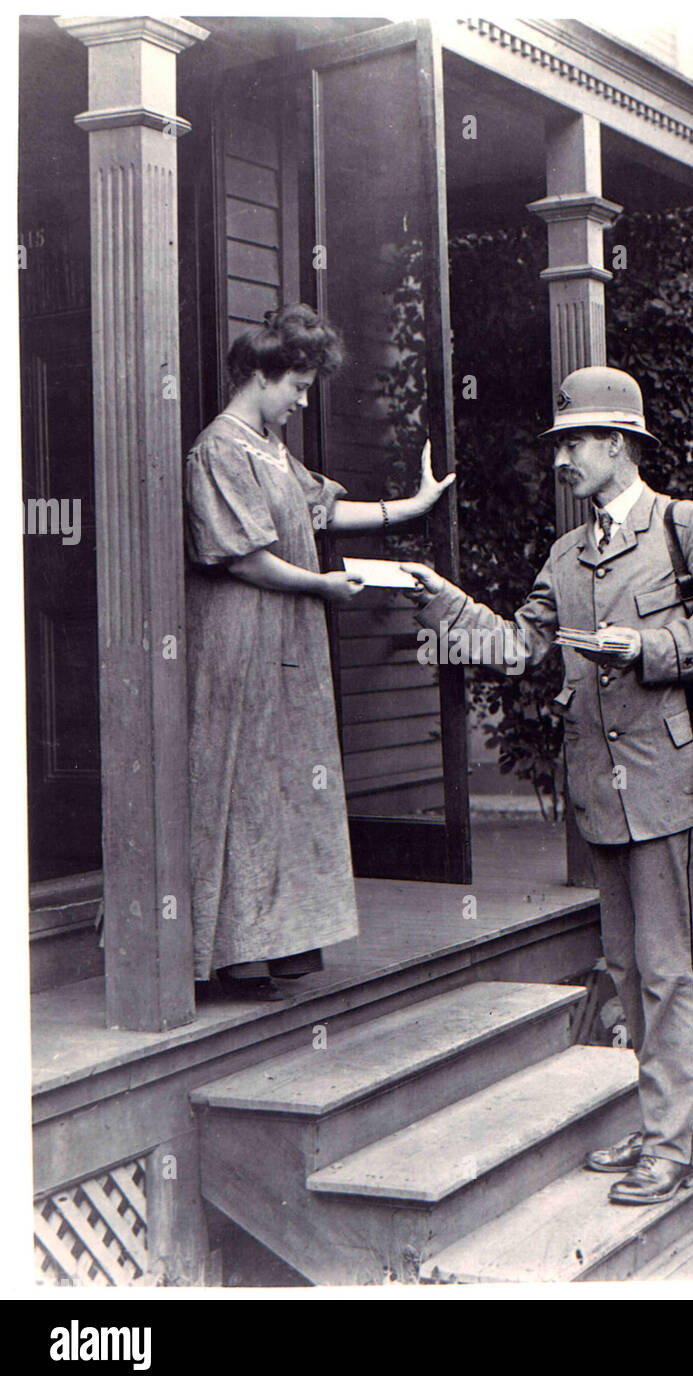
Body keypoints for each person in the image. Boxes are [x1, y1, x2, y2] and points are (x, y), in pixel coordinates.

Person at [402, 365, 693, 1205]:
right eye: (559, 442)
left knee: (667, 967)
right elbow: (522, 647)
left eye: (575, 441)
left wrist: (647, 648)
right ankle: (675, 1125)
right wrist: (445, 607)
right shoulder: (566, 554)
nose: (561, 457)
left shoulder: (684, 525)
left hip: (667, 782)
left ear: (617, 444)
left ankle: (671, 1144)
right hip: (599, 789)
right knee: (624, 965)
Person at [185, 303, 453, 999]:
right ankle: (235, 952)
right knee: (246, 782)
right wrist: (323, 588)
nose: (304, 401)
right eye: (297, 387)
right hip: (243, 634)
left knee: (287, 780)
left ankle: (284, 942)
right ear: (260, 375)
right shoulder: (220, 448)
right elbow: (242, 559)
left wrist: (410, 507)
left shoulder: (271, 448)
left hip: (289, 632)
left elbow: (324, 512)